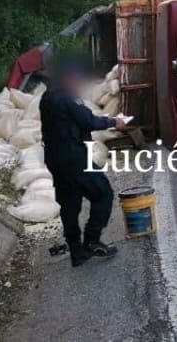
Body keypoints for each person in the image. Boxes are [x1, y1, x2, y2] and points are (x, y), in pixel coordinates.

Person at [40, 61, 128, 267]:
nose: (77, 82)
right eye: (75, 78)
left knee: (70, 204)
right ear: (66, 79)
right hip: (74, 157)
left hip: (55, 158)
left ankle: (76, 251)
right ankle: (92, 240)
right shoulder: (67, 99)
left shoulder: (47, 98)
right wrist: (115, 122)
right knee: (103, 192)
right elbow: (89, 122)